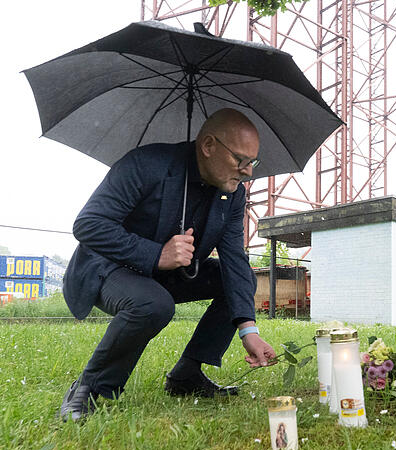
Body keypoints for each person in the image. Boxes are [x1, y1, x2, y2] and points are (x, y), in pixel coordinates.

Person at [59, 108, 277, 422]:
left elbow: (234, 261)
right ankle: (89, 389)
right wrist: (155, 254)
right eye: (240, 160)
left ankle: (186, 375)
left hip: (167, 275)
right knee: (153, 304)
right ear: (208, 146)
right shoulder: (144, 164)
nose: (247, 172)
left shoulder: (232, 195)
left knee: (236, 279)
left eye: (252, 162)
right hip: (107, 268)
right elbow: (89, 225)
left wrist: (248, 330)